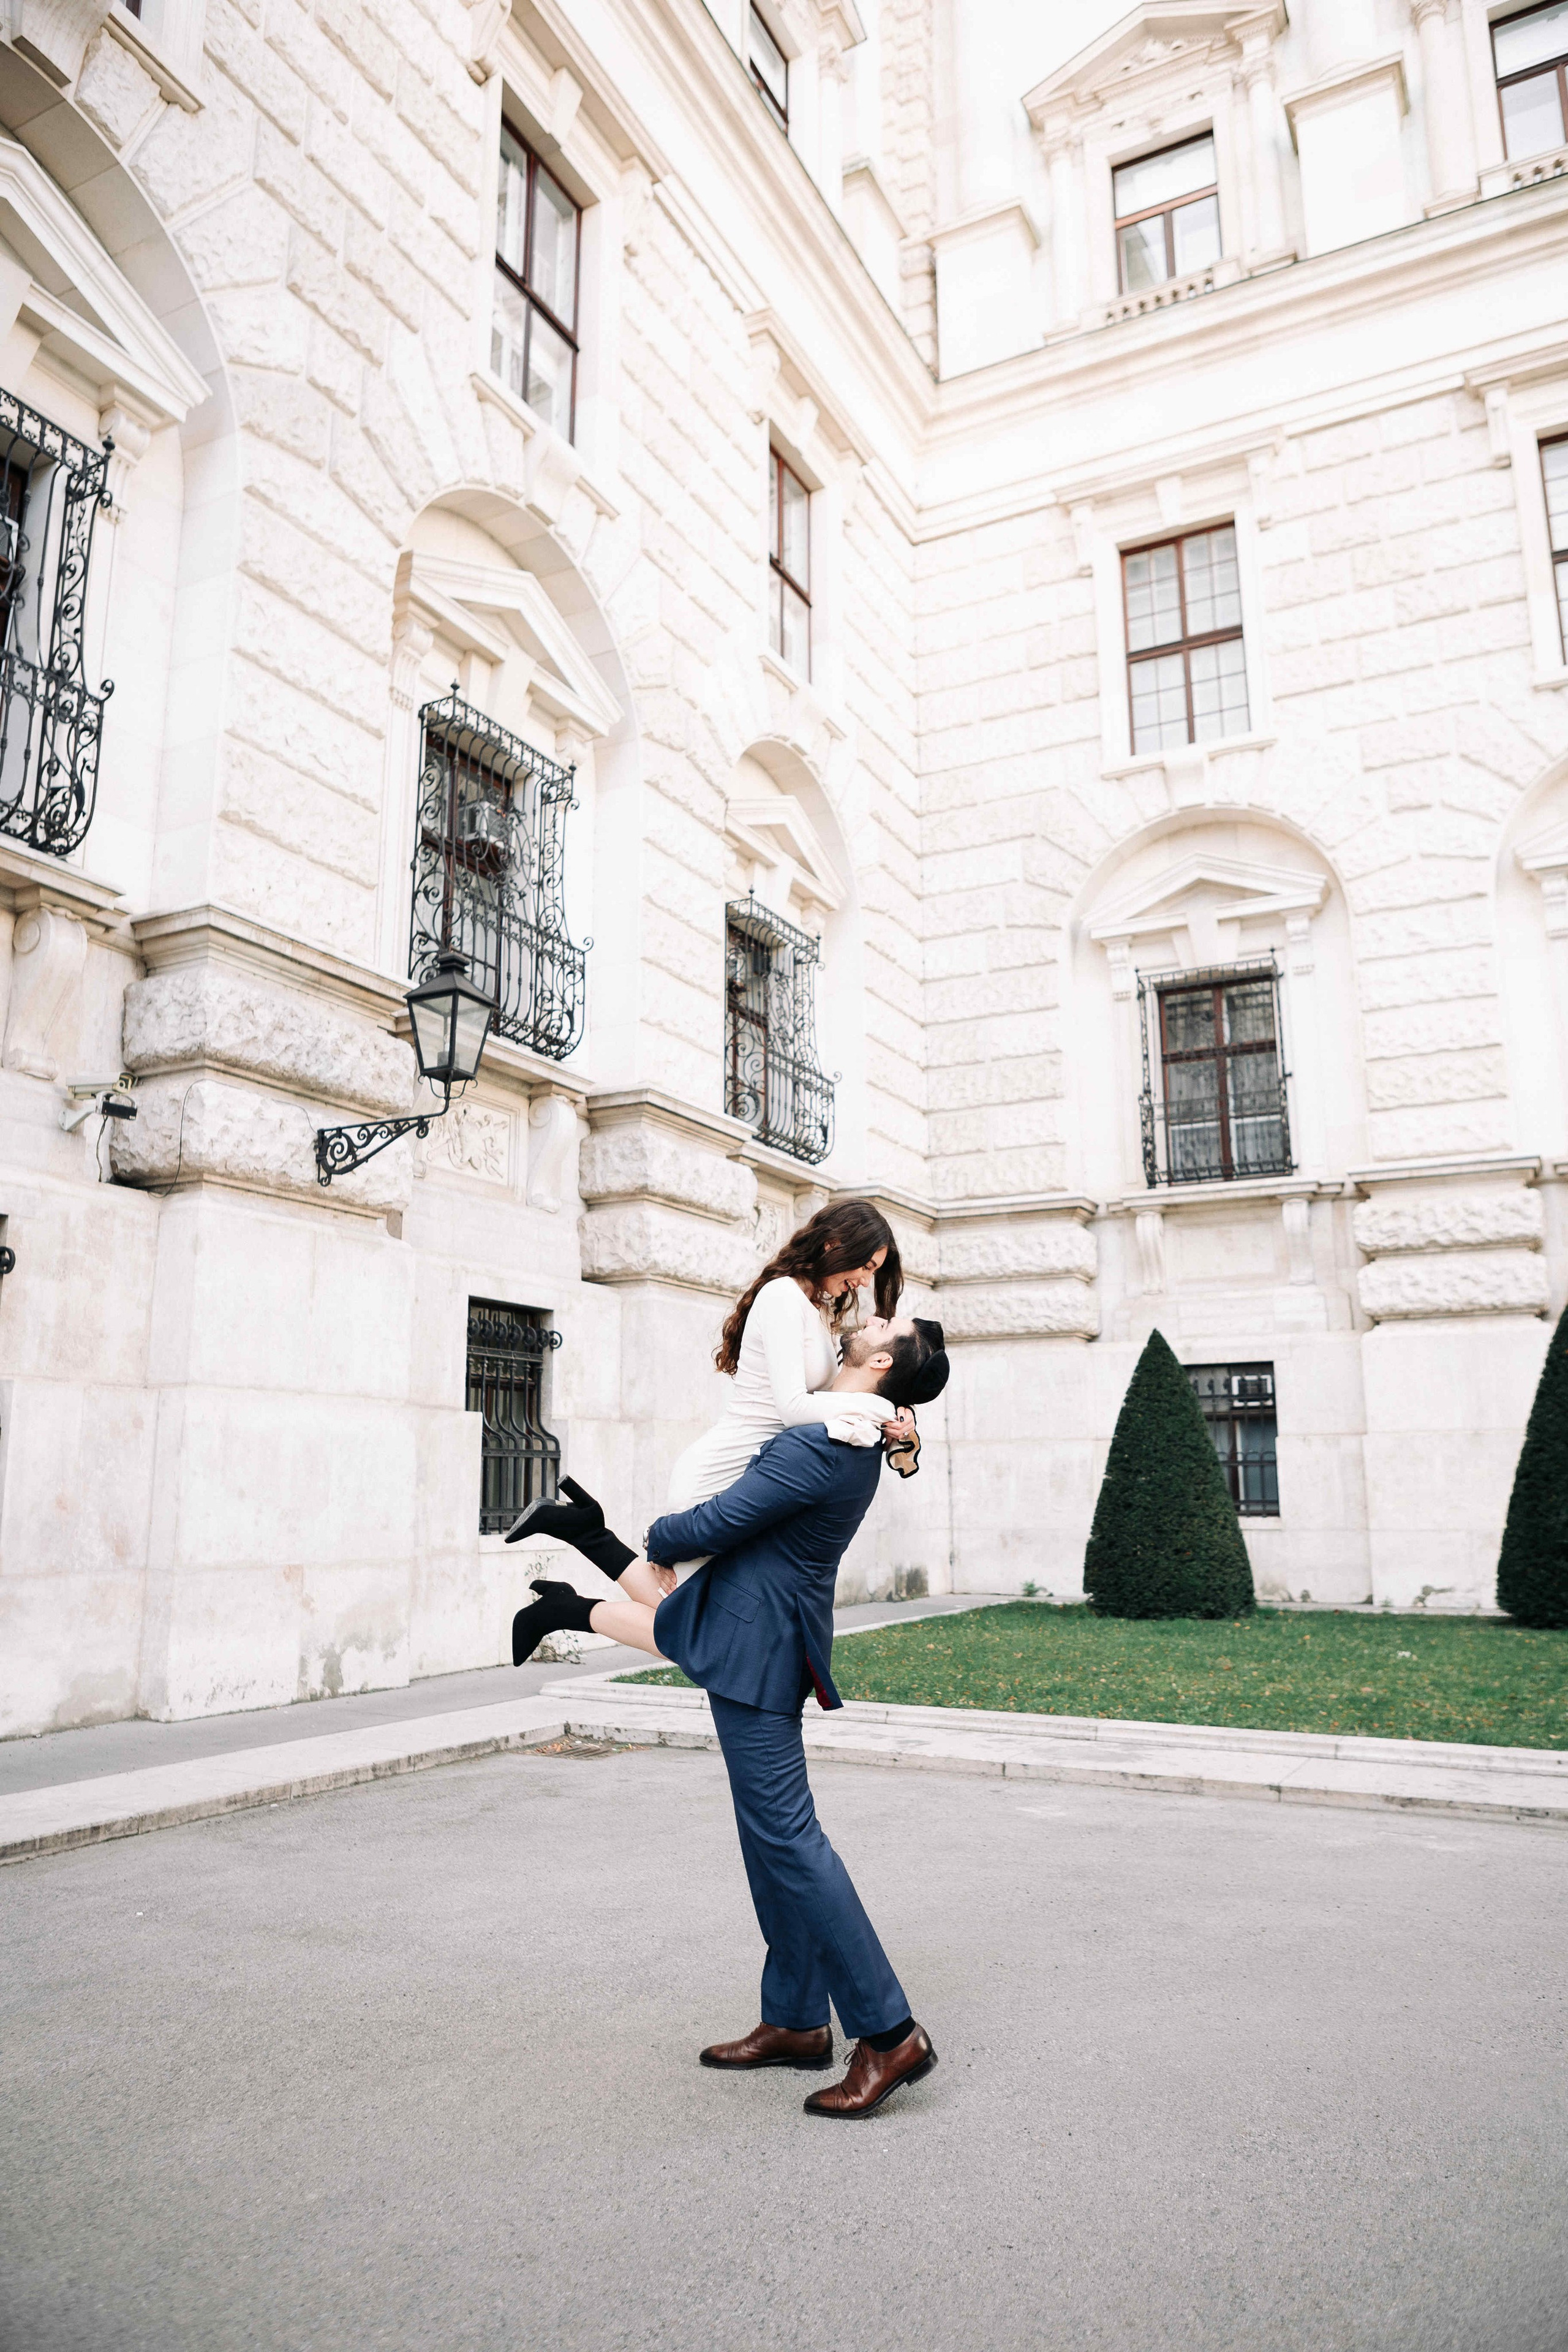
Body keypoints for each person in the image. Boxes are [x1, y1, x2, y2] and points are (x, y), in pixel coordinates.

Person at [510, 1313, 951, 2120]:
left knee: (788, 1835)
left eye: (879, 1322)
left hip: (759, 1646)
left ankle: (888, 2033)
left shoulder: (821, 1445)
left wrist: (662, 1532)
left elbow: (716, 1523)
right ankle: (792, 2019)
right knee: (770, 1836)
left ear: (882, 1359)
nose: (864, 1316)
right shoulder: (851, 1429)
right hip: (759, 1631)